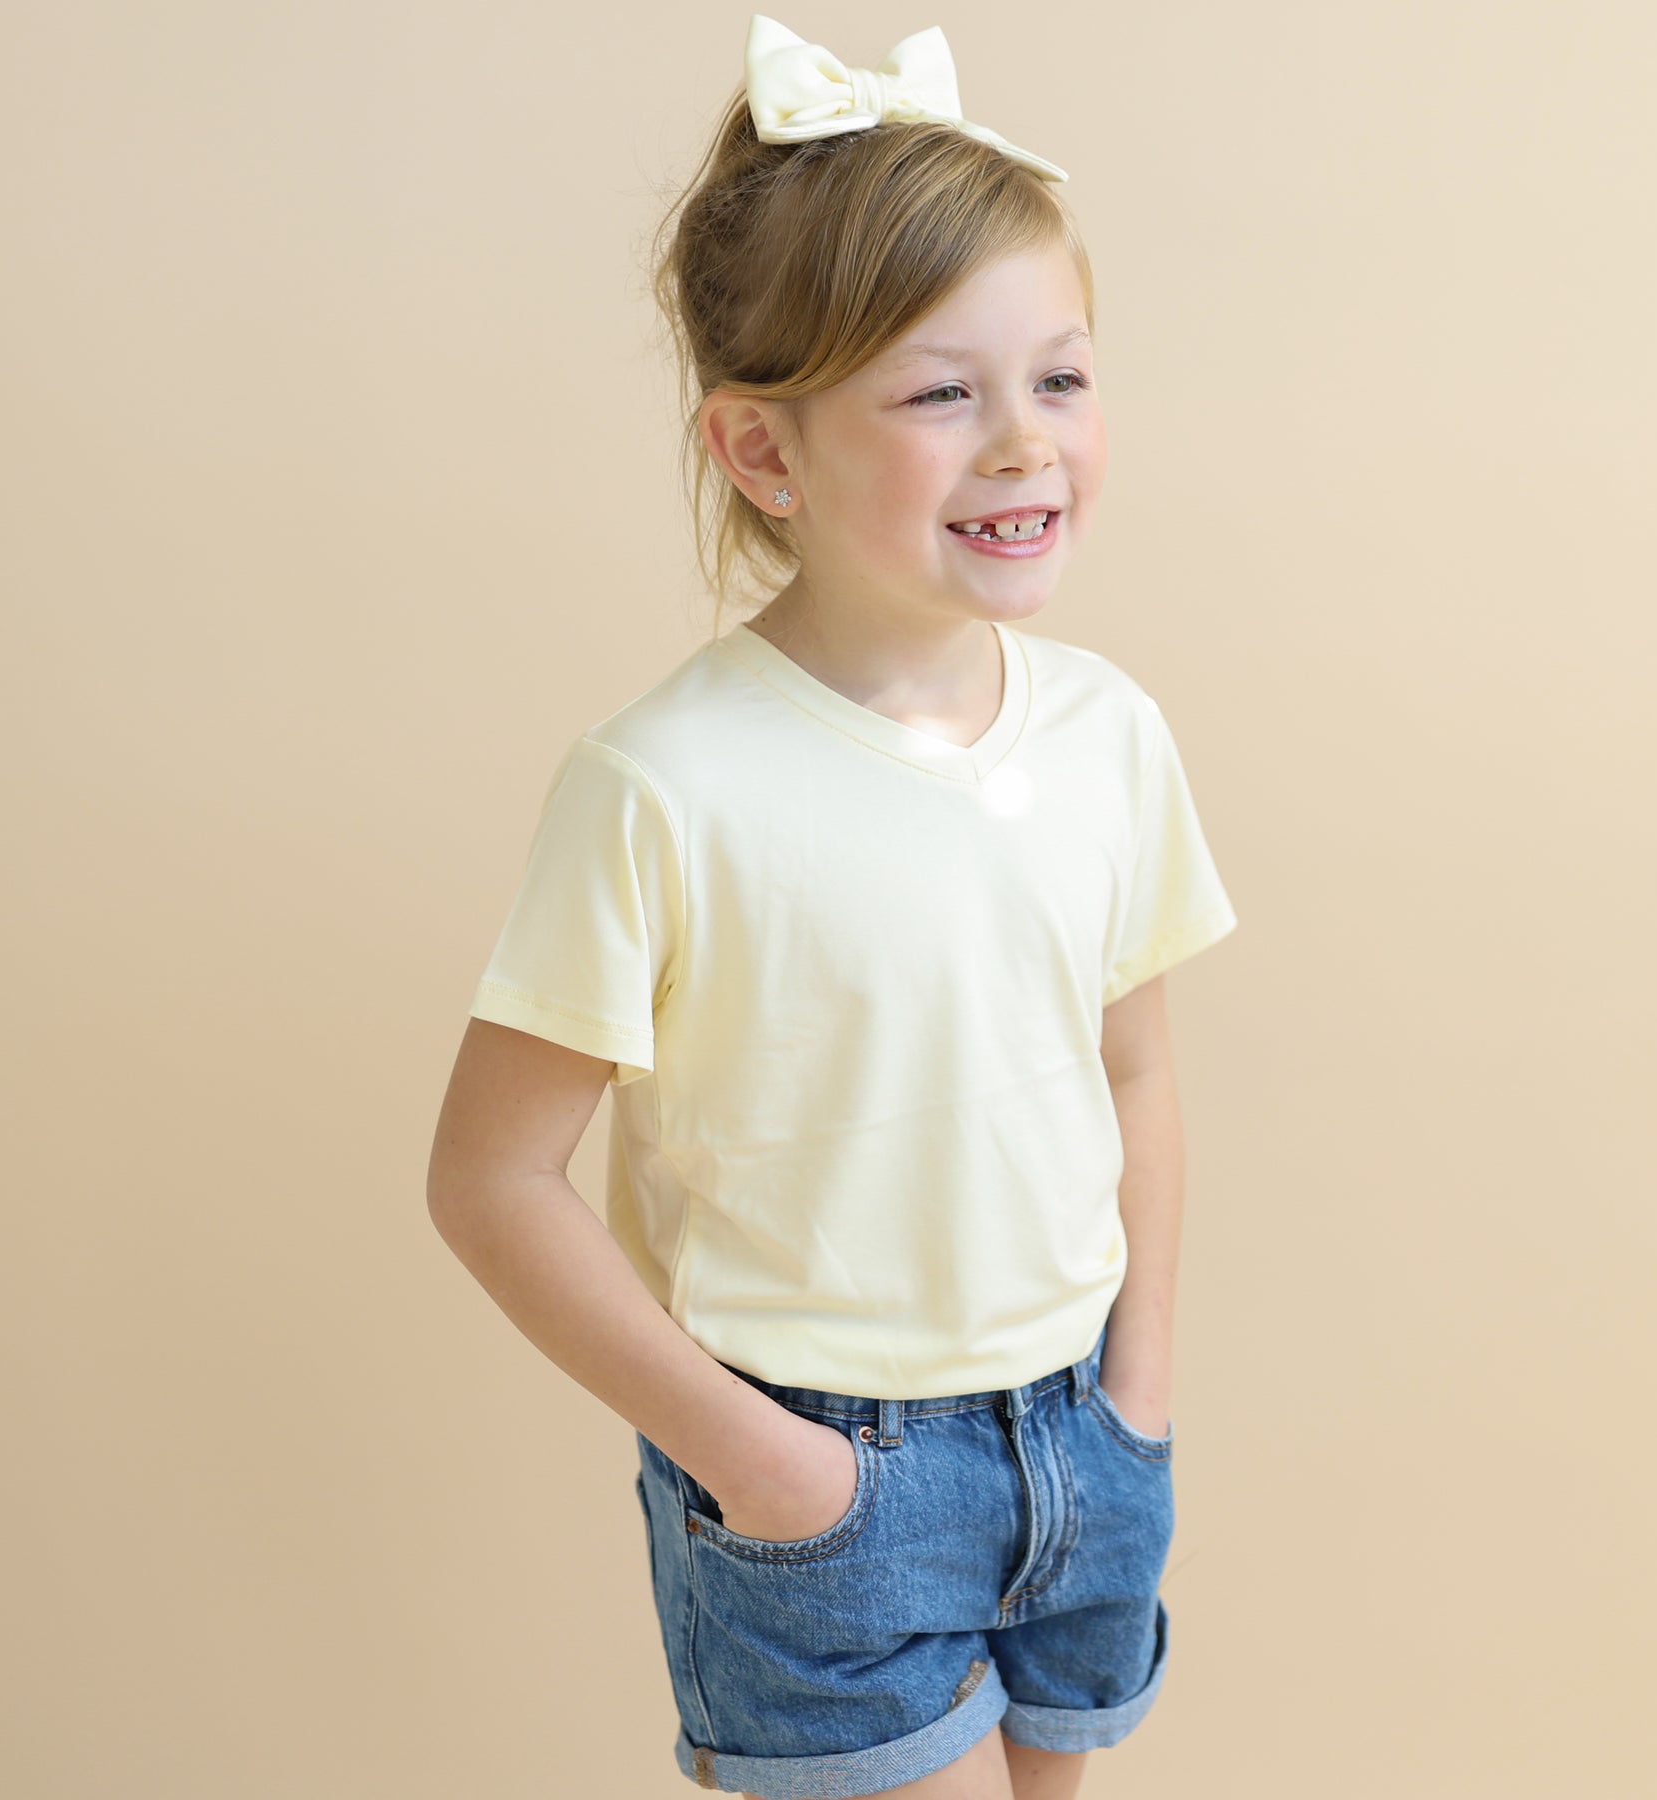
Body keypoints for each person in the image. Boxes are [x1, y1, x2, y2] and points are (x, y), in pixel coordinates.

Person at [427, 16, 1240, 1798]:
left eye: (1062, 378)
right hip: (825, 1480)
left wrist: (1141, 1393)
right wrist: (769, 1465)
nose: (1023, 444)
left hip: (1085, 1446)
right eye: (942, 395)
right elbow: (491, 1180)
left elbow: (1137, 1074)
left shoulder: (1110, 735)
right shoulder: (664, 785)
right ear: (763, 452)